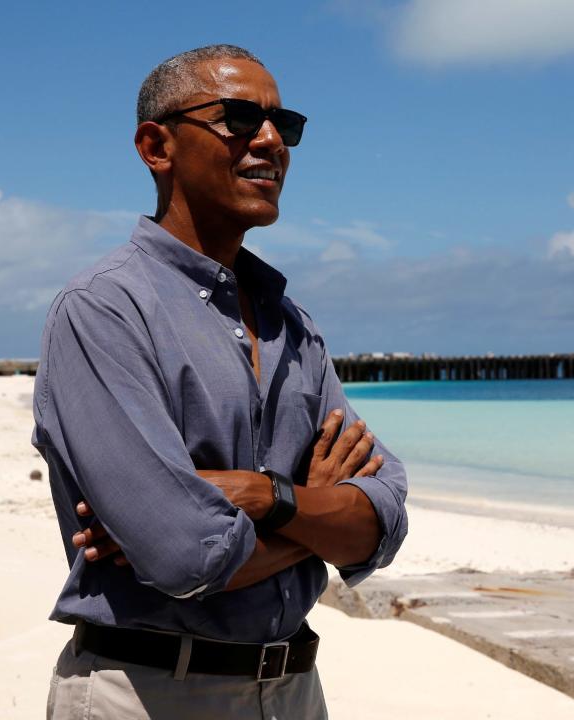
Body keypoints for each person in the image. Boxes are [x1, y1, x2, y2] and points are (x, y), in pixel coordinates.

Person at [31, 44, 408, 719]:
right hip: (148, 691)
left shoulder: (293, 324)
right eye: (238, 119)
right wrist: (317, 515)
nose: (270, 141)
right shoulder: (103, 310)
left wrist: (264, 496)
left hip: (294, 689)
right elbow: (185, 555)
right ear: (156, 145)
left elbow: (384, 519)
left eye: (283, 124)